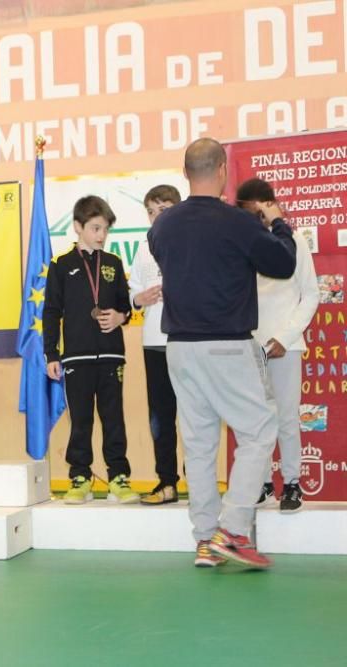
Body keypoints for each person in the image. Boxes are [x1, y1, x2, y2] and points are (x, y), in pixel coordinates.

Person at [149, 138, 296, 569]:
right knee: (258, 432)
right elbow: (283, 265)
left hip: (180, 348)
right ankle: (232, 532)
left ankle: (205, 539)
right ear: (221, 172)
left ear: (185, 172)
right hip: (226, 345)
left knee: (198, 445)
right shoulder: (236, 222)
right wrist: (278, 224)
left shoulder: (162, 226)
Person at [43, 196, 138, 505]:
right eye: (95, 228)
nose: (101, 235)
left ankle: (119, 477)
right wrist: (51, 355)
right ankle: (79, 477)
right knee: (81, 420)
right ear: (77, 227)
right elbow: (51, 312)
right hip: (76, 357)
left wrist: (121, 316)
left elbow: (126, 306)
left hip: (112, 355)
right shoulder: (62, 265)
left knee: (114, 418)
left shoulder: (114, 263)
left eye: (105, 229)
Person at [236, 177, 319, 514]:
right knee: (255, 420)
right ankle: (263, 484)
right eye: (248, 213)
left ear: (271, 206)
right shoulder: (241, 243)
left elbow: (310, 295)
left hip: (286, 344)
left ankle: (293, 483)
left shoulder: (294, 240)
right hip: (249, 345)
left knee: (286, 417)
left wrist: (284, 338)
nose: (254, 219)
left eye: (260, 212)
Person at [128, 185, 182, 505]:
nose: (155, 217)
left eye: (162, 209)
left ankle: (200, 482)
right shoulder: (142, 247)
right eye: (150, 211)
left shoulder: (192, 244)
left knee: (194, 414)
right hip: (153, 342)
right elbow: (133, 291)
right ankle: (167, 482)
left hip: (187, 341)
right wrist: (139, 298)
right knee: (161, 417)